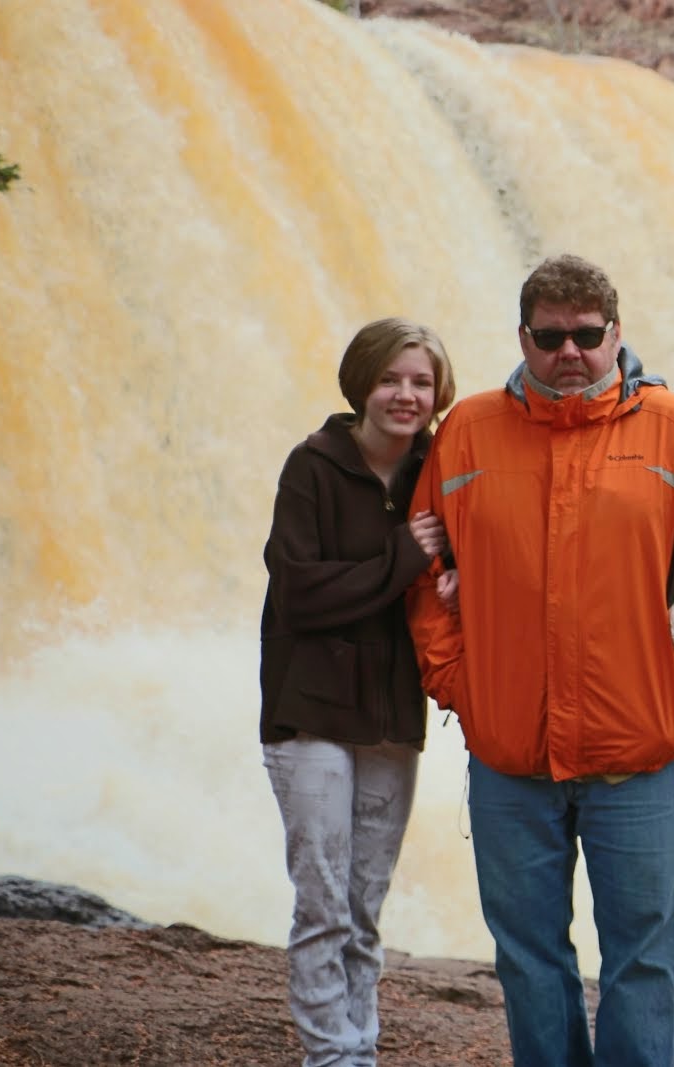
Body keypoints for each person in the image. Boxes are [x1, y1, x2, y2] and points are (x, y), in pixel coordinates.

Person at [405, 254, 674, 1067]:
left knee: (640, 955)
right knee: (528, 954)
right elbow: (426, 572)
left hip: (636, 752)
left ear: (616, 334)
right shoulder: (468, 431)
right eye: (553, 336)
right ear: (523, 337)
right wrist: (458, 683)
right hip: (509, 754)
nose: (572, 351)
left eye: (588, 335)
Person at [258, 317, 457, 1067]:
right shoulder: (311, 467)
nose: (405, 394)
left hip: (390, 714)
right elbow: (301, 593)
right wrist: (405, 556)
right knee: (322, 905)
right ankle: (330, 1057)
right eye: (390, 378)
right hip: (307, 713)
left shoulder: (438, 468)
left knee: (363, 909)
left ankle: (359, 1051)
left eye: (420, 381)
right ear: (361, 382)